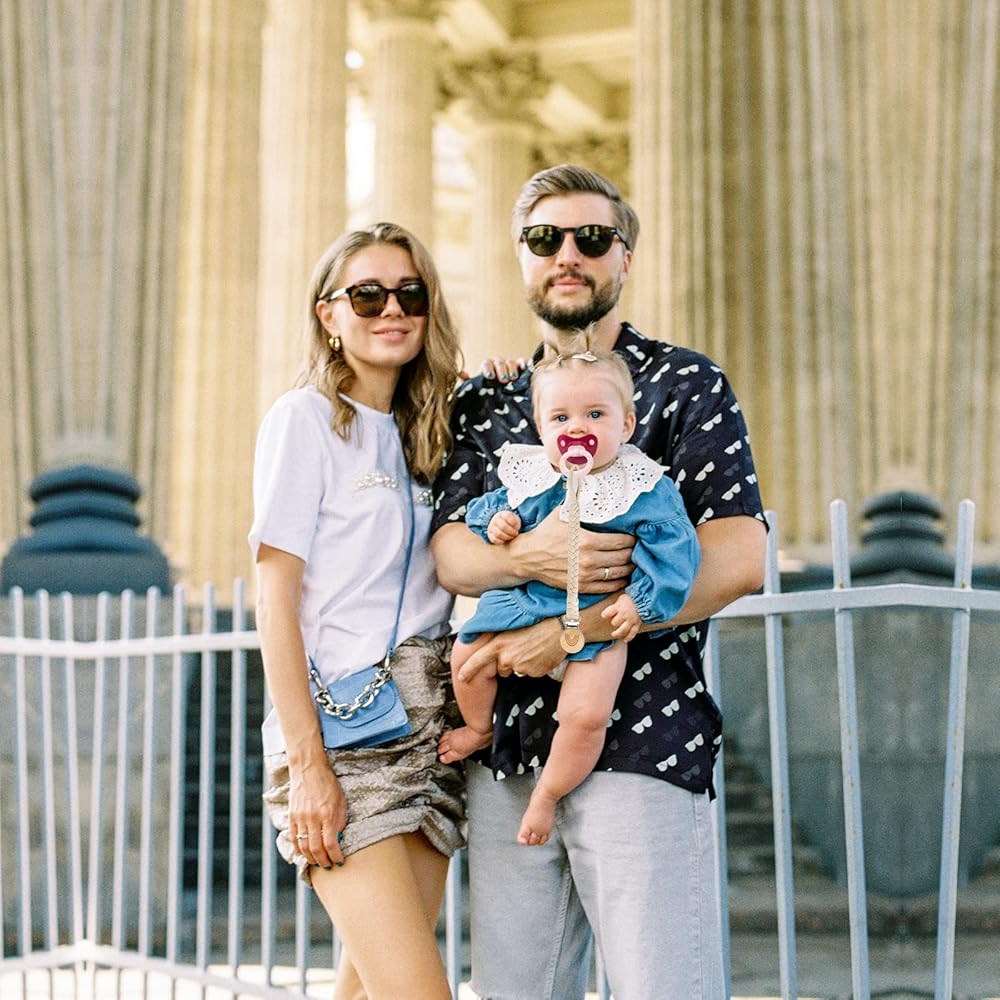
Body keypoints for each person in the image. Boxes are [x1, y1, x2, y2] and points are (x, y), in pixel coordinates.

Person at [431, 164, 767, 1000]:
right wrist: (531, 559)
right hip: (507, 752)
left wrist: (572, 632)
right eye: (545, 239)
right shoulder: (489, 402)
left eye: (592, 237)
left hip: (643, 739)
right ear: (522, 257)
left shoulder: (686, 384)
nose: (568, 255)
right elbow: (451, 554)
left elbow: (737, 556)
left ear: (626, 258)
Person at [250, 222, 466, 1000]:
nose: (392, 309)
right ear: (329, 314)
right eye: (367, 295)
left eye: (410, 293)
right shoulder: (303, 420)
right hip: (344, 733)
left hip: (434, 730)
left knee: (368, 992)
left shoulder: (435, 429)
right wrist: (307, 766)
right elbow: (274, 598)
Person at [438, 345, 700, 849]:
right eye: (560, 417)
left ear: (626, 425)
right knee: (466, 662)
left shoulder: (642, 487)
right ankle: (477, 728)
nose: (576, 427)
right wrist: (497, 524)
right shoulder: (535, 476)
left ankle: (547, 795)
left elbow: (675, 549)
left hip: (596, 622)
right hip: (526, 605)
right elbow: (482, 510)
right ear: (541, 429)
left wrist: (640, 602)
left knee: (585, 717)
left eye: (595, 414)